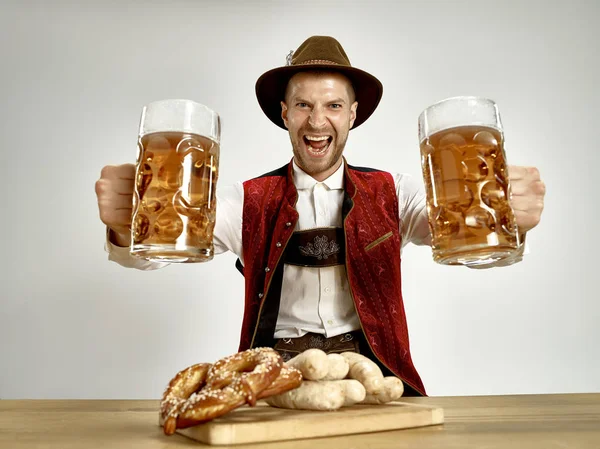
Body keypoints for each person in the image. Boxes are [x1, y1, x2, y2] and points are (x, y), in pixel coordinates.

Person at [95, 36, 545, 396]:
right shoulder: (244, 200)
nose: (317, 121)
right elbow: (161, 253)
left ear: (352, 115)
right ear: (285, 114)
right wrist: (123, 227)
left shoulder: (396, 193)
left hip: (374, 374)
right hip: (274, 377)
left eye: (332, 106)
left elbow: (461, 236)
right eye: (304, 105)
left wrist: (509, 222)